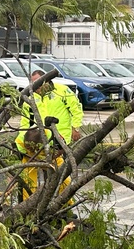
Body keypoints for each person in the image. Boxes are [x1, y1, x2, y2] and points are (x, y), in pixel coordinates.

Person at [15, 70, 83, 198]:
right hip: (39, 142)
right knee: (32, 175)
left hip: (61, 140)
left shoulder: (62, 91)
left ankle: (61, 203)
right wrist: (22, 143)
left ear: (46, 80)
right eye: (33, 84)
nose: (36, 87)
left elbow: (76, 109)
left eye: (38, 83)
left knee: (60, 175)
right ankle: (32, 203)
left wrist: (76, 128)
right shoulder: (30, 97)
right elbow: (25, 122)